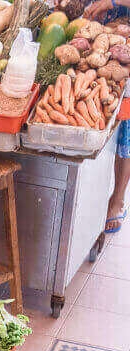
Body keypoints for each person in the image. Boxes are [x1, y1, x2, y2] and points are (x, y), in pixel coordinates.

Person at [85, 0, 129, 232]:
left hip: (125, 39)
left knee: (127, 130)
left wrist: (113, 2)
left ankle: (117, 200)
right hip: (101, 34)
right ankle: (88, 197)